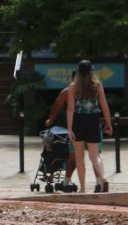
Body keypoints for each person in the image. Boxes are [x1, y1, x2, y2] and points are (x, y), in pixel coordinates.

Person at [46, 70, 105, 193]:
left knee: (75, 157)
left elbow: (57, 106)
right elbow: (103, 105)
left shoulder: (68, 90)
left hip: (76, 127)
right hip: (93, 124)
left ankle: (70, 182)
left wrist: (51, 119)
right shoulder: (94, 87)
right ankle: (99, 181)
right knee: (95, 156)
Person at [66, 60, 112, 193]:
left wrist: (69, 129)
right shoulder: (97, 85)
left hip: (78, 122)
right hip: (94, 121)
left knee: (80, 157)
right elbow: (104, 106)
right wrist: (108, 123)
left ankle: (83, 189)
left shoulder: (73, 87)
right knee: (95, 155)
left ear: (78, 72)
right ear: (91, 71)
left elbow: (70, 109)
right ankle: (103, 178)